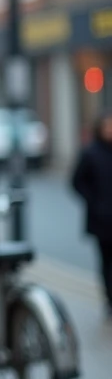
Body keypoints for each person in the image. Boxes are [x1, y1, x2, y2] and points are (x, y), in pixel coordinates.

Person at [71, 111, 112, 319]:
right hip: (102, 218)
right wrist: (94, 201)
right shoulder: (90, 153)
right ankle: (109, 299)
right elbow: (77, 182)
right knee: (106, 261)